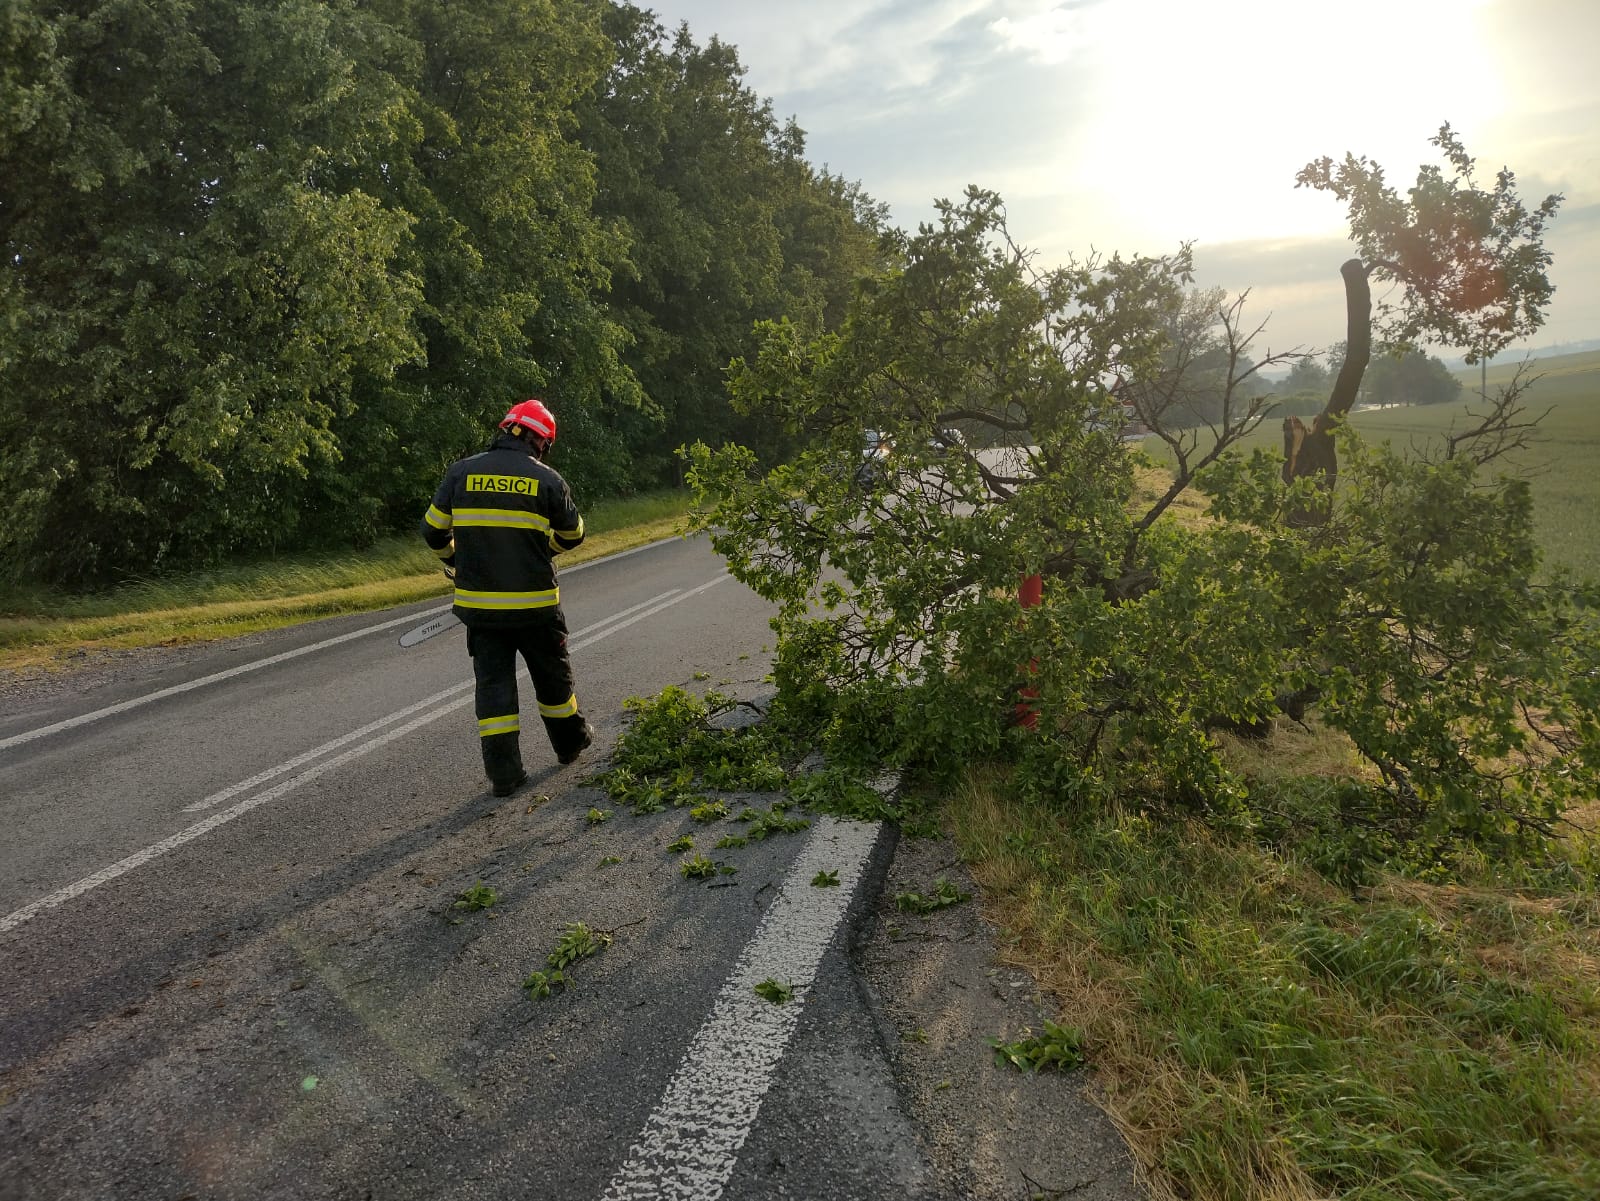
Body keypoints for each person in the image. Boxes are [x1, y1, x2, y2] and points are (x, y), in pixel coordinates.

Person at [421, 398, 594, 796]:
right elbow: (574, 534)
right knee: (553, 683)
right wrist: (542, 549)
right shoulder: (548, 480)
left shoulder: (461, 472)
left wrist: (457, 559)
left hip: (482, 611)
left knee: (494, 690)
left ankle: (505, 776)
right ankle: (570, 746)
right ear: (540, 441)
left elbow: (432, 531)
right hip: (536, 608)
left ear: (506, 429)